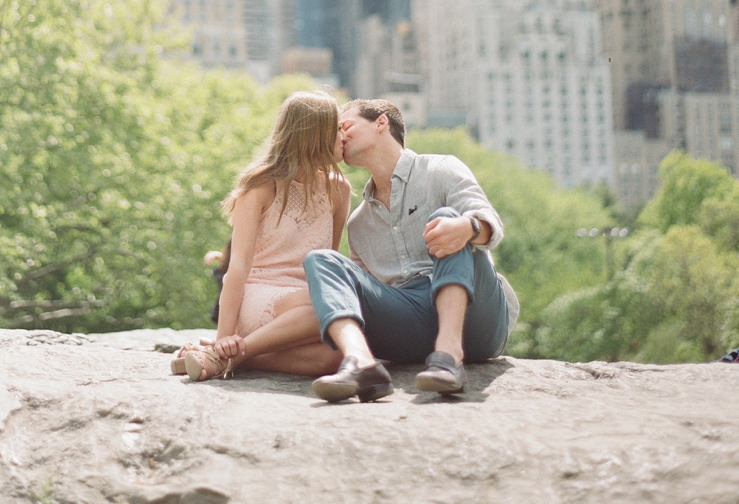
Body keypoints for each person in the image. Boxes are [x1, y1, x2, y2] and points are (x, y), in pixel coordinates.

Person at [304, 99, 519, 402]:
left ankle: (449, 357)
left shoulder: (440, 169)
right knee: (321, 260)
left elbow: (490, 225)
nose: (340, 136)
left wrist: (467, 227)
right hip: (410, 323)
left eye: (346, 126)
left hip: (476, 318)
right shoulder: (359, 223)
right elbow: (367, 298)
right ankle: (362, 365)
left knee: (445, 220)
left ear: (381, 123)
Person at [173, 91, 350, 381]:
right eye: (338, 129)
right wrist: (225, 334)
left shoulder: (338, 189)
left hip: (304, 303)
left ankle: (228, 358)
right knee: (326, 307)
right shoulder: (260, 186)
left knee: (337, 356)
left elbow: (327, 264)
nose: (345, 137)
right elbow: (238, 266)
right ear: (316, 134)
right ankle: (221, 352)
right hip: (259, 294)